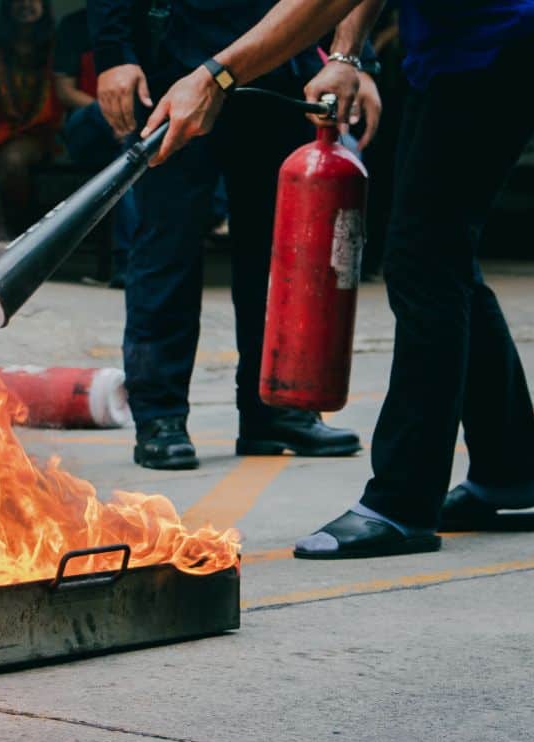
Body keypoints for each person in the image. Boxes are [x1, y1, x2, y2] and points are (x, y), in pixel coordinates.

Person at [137, 0, 534, 557]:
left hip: (500, 45)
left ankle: (402, 504)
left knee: (424, 259)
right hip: (464, 51)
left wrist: (216, 75)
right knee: (441, 255)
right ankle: (507, 472)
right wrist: (345, 53)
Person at [89, 0, 379, 470]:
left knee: (281, 255)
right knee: (167, 248)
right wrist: (114, 53)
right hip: (175, 66)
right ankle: (161, 415)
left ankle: (275, 409)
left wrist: (353, 59)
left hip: (283, 68)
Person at [53, 8, 137, 288]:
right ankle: (127, 264)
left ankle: (126, 265)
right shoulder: (74, 25)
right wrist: (113, 113)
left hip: (129, 130)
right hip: (87, 125)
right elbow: (64, 91)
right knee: (130, 149)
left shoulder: (142, 21)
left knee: (128, 158)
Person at [0, 0, 63, 238]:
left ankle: (23, 238)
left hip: (39, 135)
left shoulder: (55, 46)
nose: (26, 5)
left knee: (13, 161)